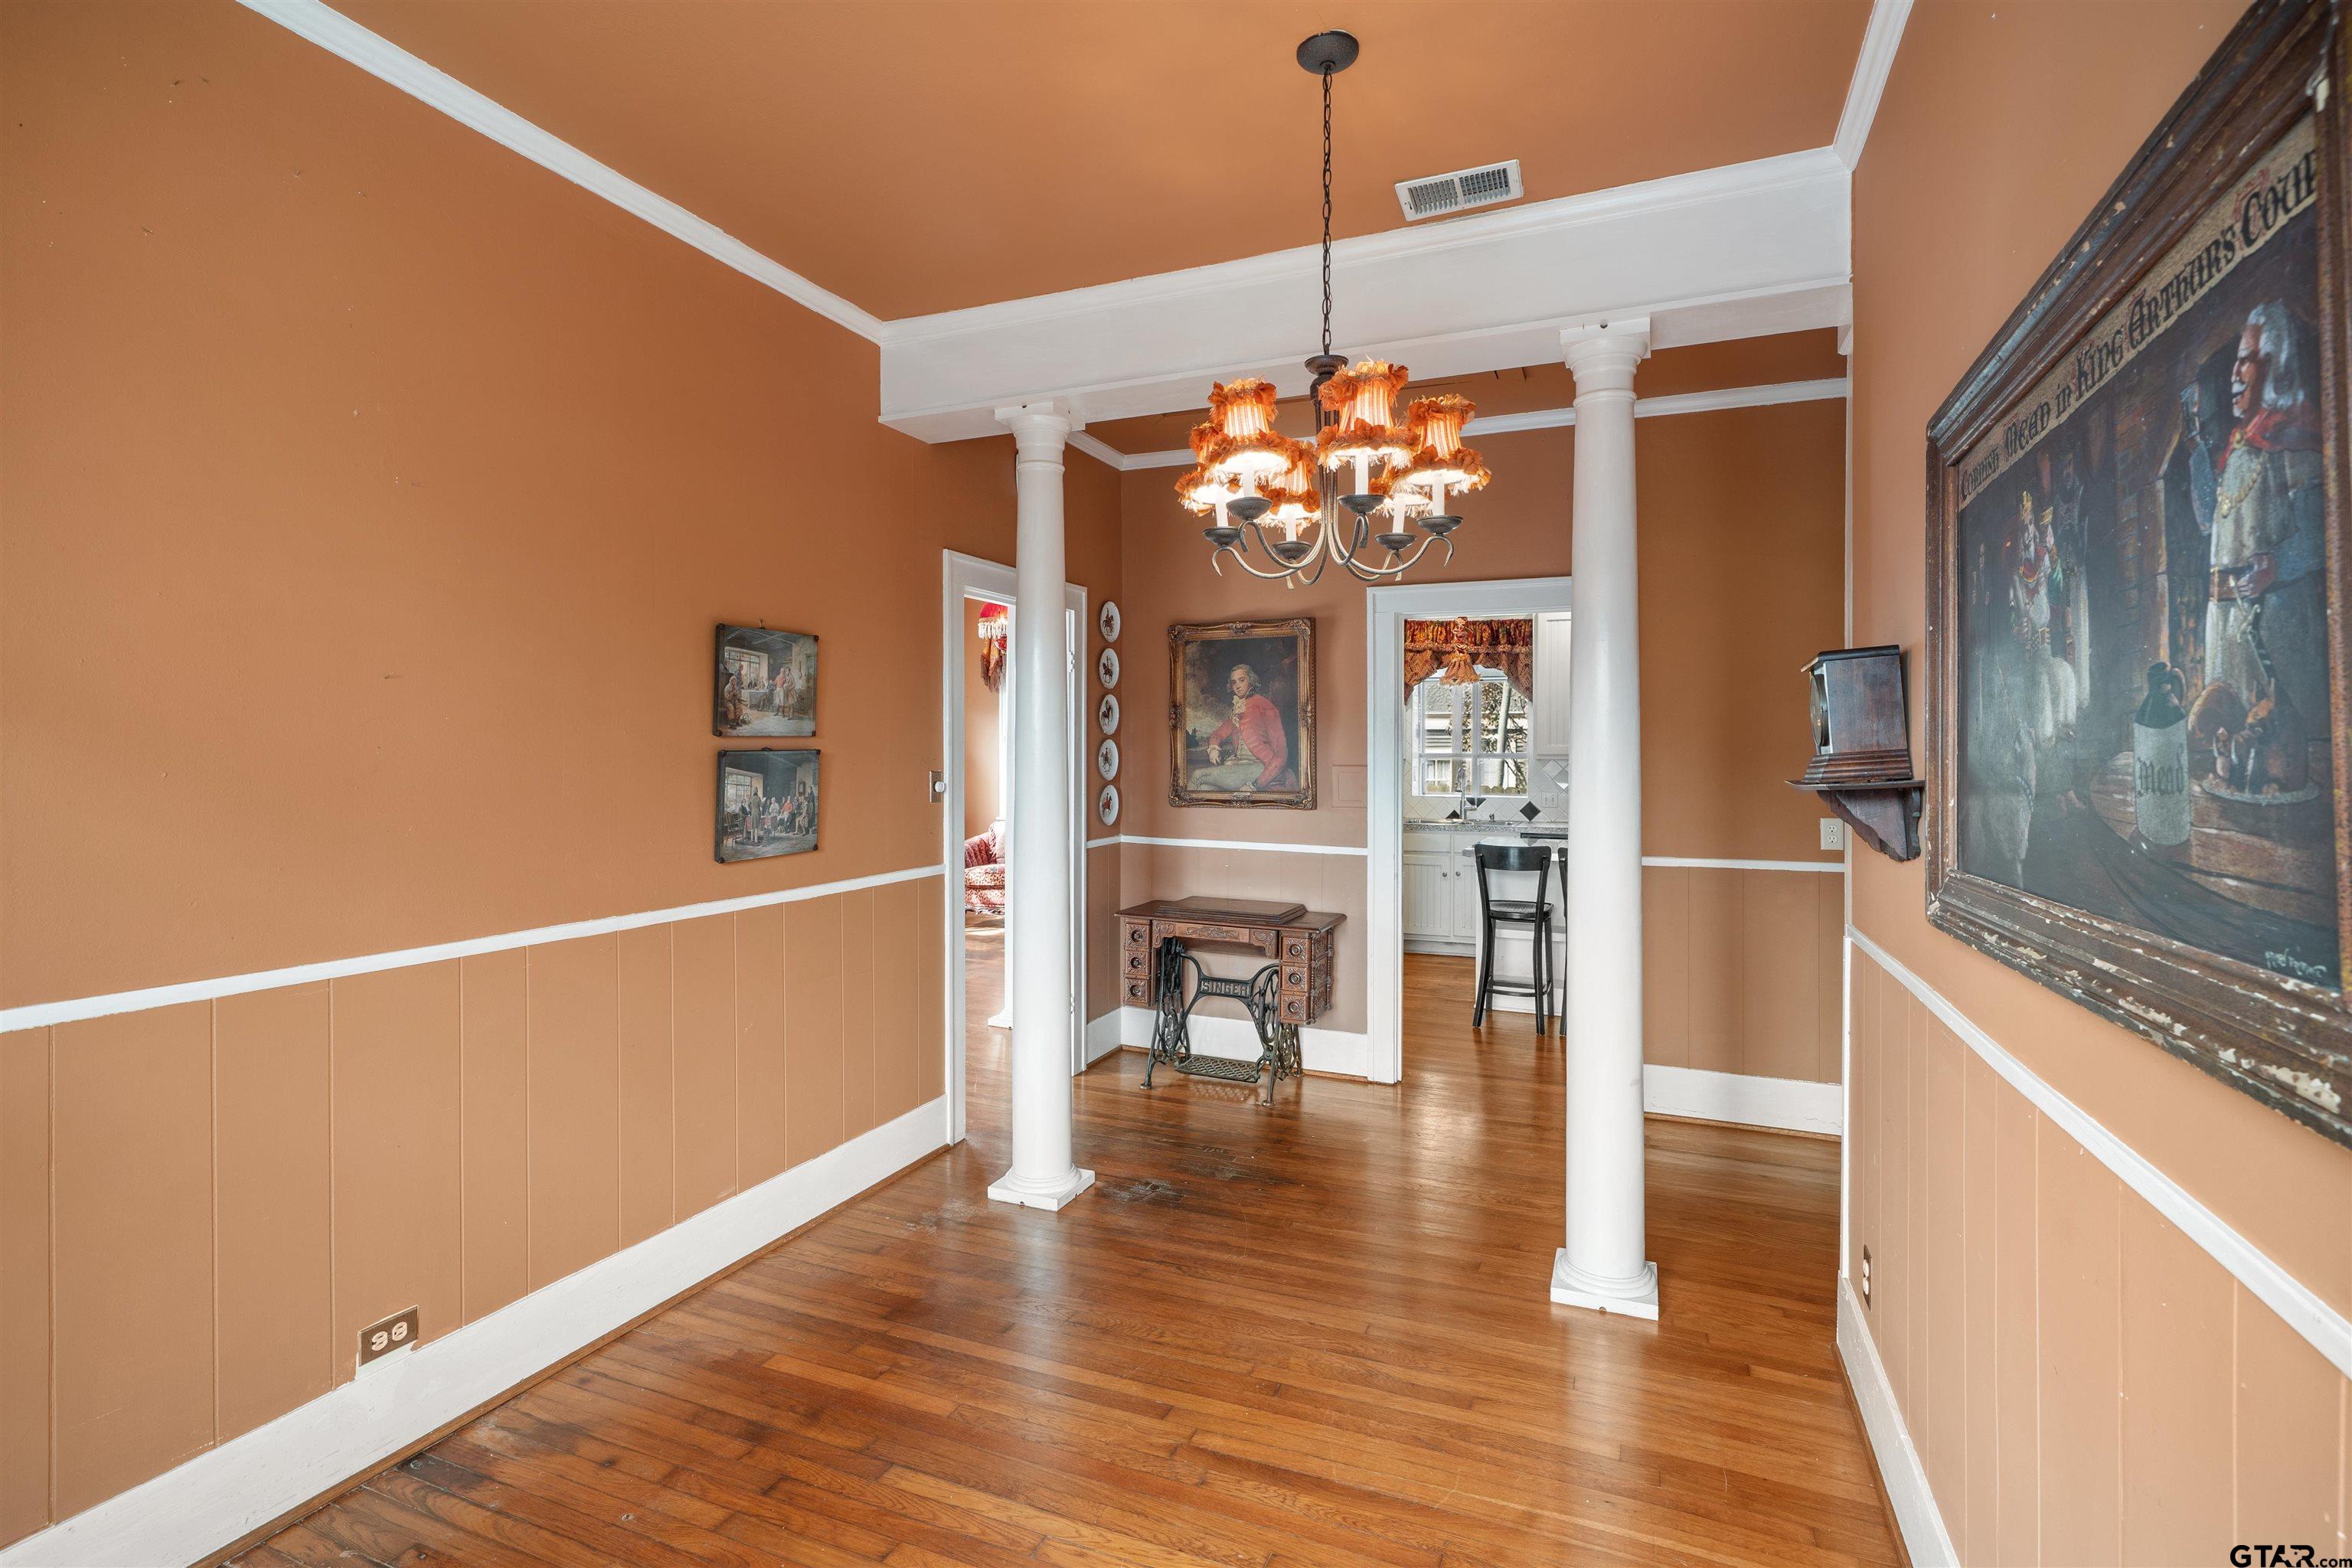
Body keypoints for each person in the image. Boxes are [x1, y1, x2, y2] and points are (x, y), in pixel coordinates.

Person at [2185, 300, 2326, 730]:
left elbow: (2322, 533)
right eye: (2236, 361)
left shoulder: (2292, 439)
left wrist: (2279, 564)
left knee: (2281, 743)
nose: (2235, 373)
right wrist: (2195, 444)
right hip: (2227, 627)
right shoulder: (2238, 446)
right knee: (2228, 744)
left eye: (2246, 360)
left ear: (2275, 364)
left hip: (2275, 625)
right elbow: (2209, 521)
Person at [1202, 662, 1293, 792]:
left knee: (1198, 776)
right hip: (1237, 765)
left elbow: (1281, 754)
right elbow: (1218, 734)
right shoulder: (1239, 708)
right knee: (1204, 787)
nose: (1238, 686)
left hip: (1261, 767)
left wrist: (1256, 785)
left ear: (1251, 681)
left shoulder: (1265, 706)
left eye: (1242, 680)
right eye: (1234, 682)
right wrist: (1213, 748)